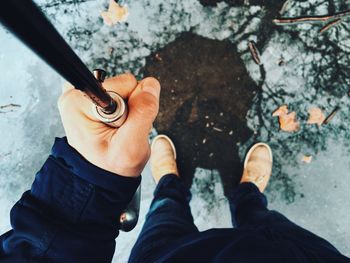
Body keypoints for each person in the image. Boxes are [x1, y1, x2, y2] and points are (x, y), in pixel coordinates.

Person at [0, 73, 348, 263]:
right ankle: (247, 194)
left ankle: (170, 182)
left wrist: (86, 181)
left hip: (165, 258)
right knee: (263, 220)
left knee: (166, 216)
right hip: (303, 256)